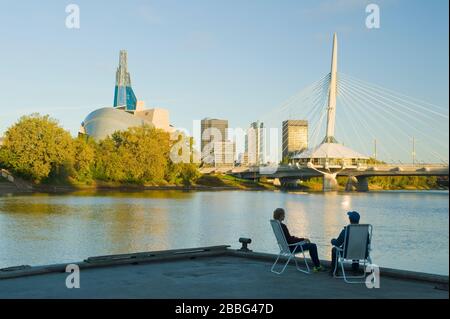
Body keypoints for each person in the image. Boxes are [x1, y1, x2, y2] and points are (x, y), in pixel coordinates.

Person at [273, 208, 324, 272]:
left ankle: (317, 265)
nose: (284, 216)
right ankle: (317, 266)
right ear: (280, 216)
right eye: (283, 215)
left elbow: (288, 239)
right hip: (291, 248)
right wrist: (303, 239)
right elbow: (290, 240)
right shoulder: (283, 226)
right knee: (312, 246)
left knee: (309, 245)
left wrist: (299, 239)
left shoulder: (277, 226)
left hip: (284, 248)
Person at [330, 211, 368, 276]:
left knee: (334, 249)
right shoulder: (364, 231)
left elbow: (337, 243)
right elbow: (367, 242)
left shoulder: (346, 230)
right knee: (357, 246)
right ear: (358, 220)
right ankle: (355, 270)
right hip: (362, 253)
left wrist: (332, 240)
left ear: (350, 220)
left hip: (347, 253)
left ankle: (334, 271)